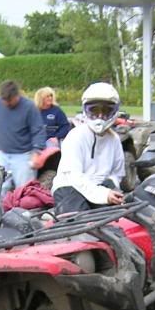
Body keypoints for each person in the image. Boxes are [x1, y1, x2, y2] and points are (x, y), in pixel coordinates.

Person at [51, 82, 125, 214]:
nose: (100, 117)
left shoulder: (114, 140)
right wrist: (103, 194)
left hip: (100, 186)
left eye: (106, 111)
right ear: (85, 111)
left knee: (116, 217)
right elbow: (74, 176)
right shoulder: (76, 136)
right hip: (70, 186)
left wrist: (110, 187)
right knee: (77, 221)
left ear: (114, 112)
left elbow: (117, 173)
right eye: (94, 111)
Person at [0, 80, 46, 191]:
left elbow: (38, 130)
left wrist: (36, 152)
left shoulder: (29, 107)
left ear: (17, 95)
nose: (7, 103)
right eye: (4, 100)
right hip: (3, 155)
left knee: (24, 191)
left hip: (23, 156)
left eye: (9, 100)